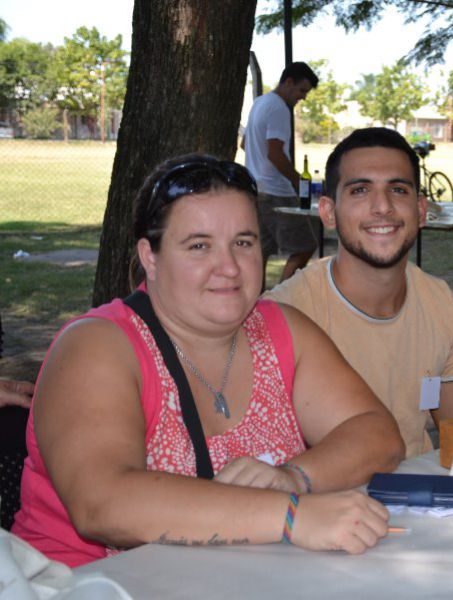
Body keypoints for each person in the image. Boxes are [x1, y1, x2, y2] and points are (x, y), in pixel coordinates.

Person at [12, 155, 404, 566]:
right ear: (150, 255)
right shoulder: (96, 345)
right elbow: (103, 503)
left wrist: (296, 477)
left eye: (243, 242)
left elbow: (376, 434)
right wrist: (290, 515)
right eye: (199, 245)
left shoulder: (282, 329)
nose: (229, 267)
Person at [266, 128, 453, 457]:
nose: (383, 206)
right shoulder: (284, 313)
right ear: (328, 212)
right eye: (360, 190)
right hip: (322, 501)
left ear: (421, 211)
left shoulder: (438, 300)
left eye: (398, 189)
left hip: (420, 498)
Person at [243, 61, 320, 282]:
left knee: (260, 251)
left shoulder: (259, 103)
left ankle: (255, 301)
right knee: (305, 247)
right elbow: (275, 153)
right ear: (288, 82)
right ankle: (283, 298)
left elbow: (244, 144)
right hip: (276, 192)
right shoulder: (279, 107)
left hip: (256, 190)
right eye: (302, 90)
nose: (303, 97)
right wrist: (299, 183)